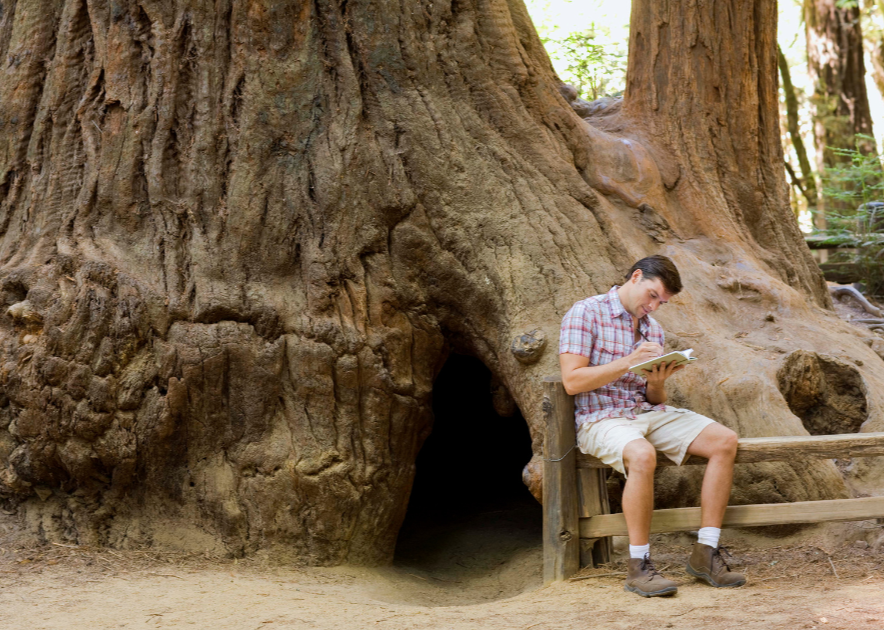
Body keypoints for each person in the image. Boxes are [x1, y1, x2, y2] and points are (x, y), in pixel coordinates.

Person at [559, 255, 745, 598]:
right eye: (653, 295)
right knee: (643, 455)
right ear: (635, 277)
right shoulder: (585, 313)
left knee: (724, 441)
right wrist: (629, 361)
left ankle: (706, 551)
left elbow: (652, 397)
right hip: (600, 417)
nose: (655, 306)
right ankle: (638, 566)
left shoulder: (652, 329)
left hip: (644, 412)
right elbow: (572, 381)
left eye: (662, 302)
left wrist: (659, 378)